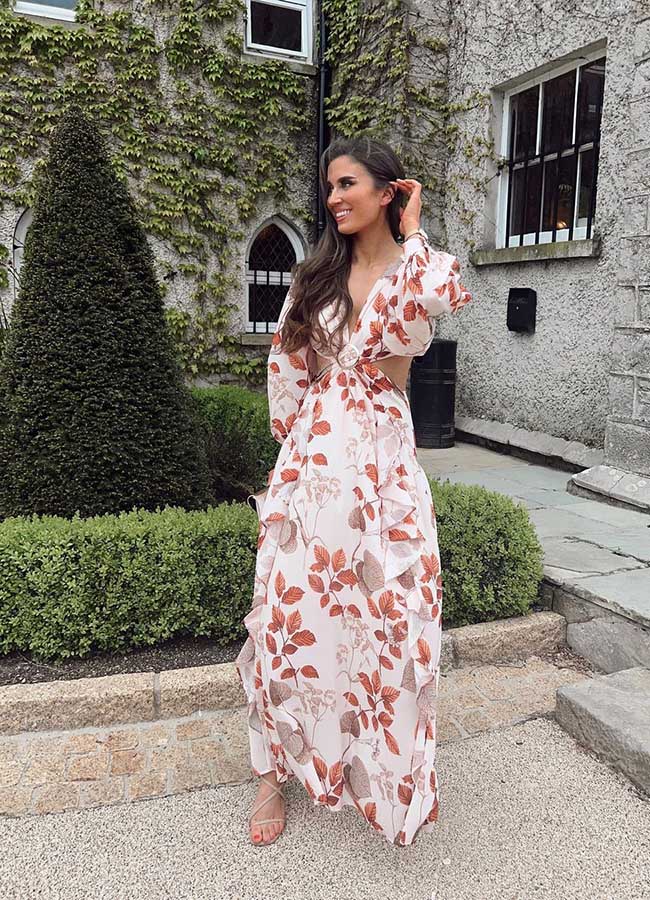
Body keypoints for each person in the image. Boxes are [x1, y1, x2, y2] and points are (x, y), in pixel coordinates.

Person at [235, 136, 472, 847]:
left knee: (393, 617)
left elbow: (435, 300)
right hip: (315, 462)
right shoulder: (315, 276)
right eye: (330, 187)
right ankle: (271, 773)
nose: (334, 197)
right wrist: (289, 462)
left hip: (384, 465)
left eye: (348, 184)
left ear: (386, 190)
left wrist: (414, 228)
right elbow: (287, 368)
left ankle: (385, 774)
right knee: (289, 612)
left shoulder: (414, 269)